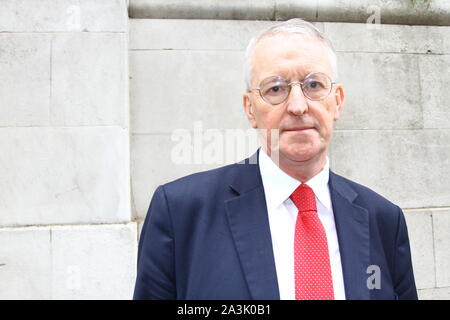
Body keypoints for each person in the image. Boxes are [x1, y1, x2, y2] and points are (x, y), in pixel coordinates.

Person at [133, 18, 417, 300]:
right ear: (250, 109)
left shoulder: (384, 221)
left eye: (314, 84)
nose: (297, 106)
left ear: (338, 101)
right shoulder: (181, 214)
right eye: (275, 89)